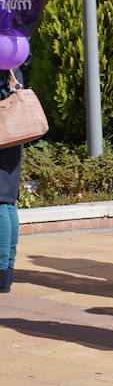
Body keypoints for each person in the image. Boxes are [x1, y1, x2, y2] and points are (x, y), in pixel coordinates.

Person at [0, 64, 26, 293]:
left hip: (3, 131)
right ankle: (6, 271)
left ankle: (1, 272)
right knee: (6, 201)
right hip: (12, 132)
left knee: (1, 202)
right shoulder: (14, 52)